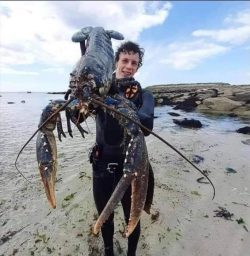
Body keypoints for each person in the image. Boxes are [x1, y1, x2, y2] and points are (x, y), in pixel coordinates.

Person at [90, 41, 155, 256]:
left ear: (138, 67)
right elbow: (78, 116)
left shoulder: (145, 95)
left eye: (134, 62)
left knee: (132, 215)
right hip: (102, 164)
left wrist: (120, 101)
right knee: (104, 214)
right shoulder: (99, 91)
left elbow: (146, 126)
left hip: (134, 165)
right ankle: (108, 249)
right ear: (116, 62)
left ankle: (131, 254)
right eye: (125, 60)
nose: (129, 65)